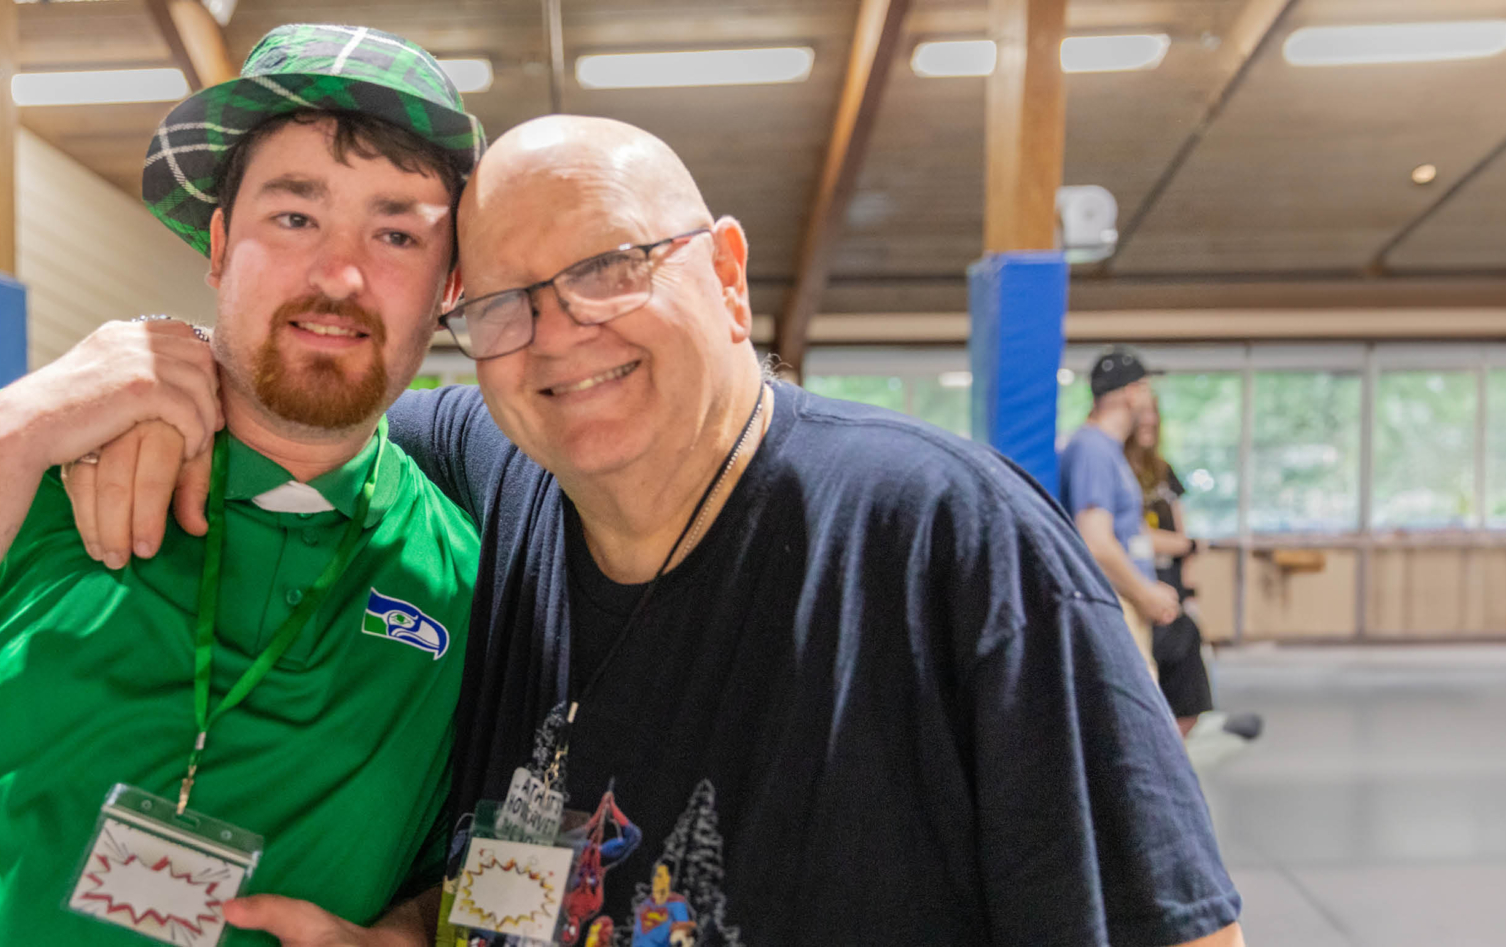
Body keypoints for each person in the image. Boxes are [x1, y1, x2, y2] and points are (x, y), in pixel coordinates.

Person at [65, 117, 1244, 946]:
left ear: (727, 276)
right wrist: (134, 395)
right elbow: (300, 394)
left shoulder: (943, 544)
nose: (560, 332)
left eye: (612, 265)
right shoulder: (487, 470)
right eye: (500, 305)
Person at [0, 25, 491, 945]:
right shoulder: (24, 470)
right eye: (295, 216)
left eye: (397, 232)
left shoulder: (469, 579)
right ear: (216, 245)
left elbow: (522, 848)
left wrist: (406, 935)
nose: (340, 273)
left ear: (448, 286)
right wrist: (14, 430)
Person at [1127, 398, 1265, 753]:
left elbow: (1179, 532)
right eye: (1140, 415)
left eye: (1152, 415)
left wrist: (1187, 585)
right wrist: (1184, 544)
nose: (1148, 423)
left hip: (1170, 587)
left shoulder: (1162, 471)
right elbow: (1133, 535)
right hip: (1138, 586)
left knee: (1187, 661)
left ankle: (1174, 747)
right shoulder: (1115, 470)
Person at [1059, 348, 1182, 677]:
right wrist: (1145, 594)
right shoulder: (1092, 449)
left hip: (1128, 601)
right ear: (1132, 393)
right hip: (1116, 604)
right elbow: (1096, 543)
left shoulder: (1111, 451)